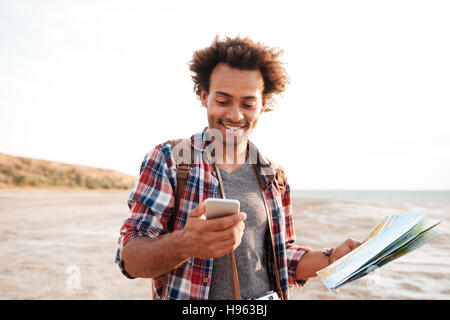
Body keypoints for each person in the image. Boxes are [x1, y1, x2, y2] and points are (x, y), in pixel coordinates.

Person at [115, 35, 360, 300]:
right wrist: (187, 243)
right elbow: (130, 259)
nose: (235, 115)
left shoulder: (273, 175)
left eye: (248, 104)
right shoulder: (170, 160)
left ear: (263, 105)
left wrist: (332, 259)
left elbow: (280, 256)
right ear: (205, 97)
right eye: (223, 101)